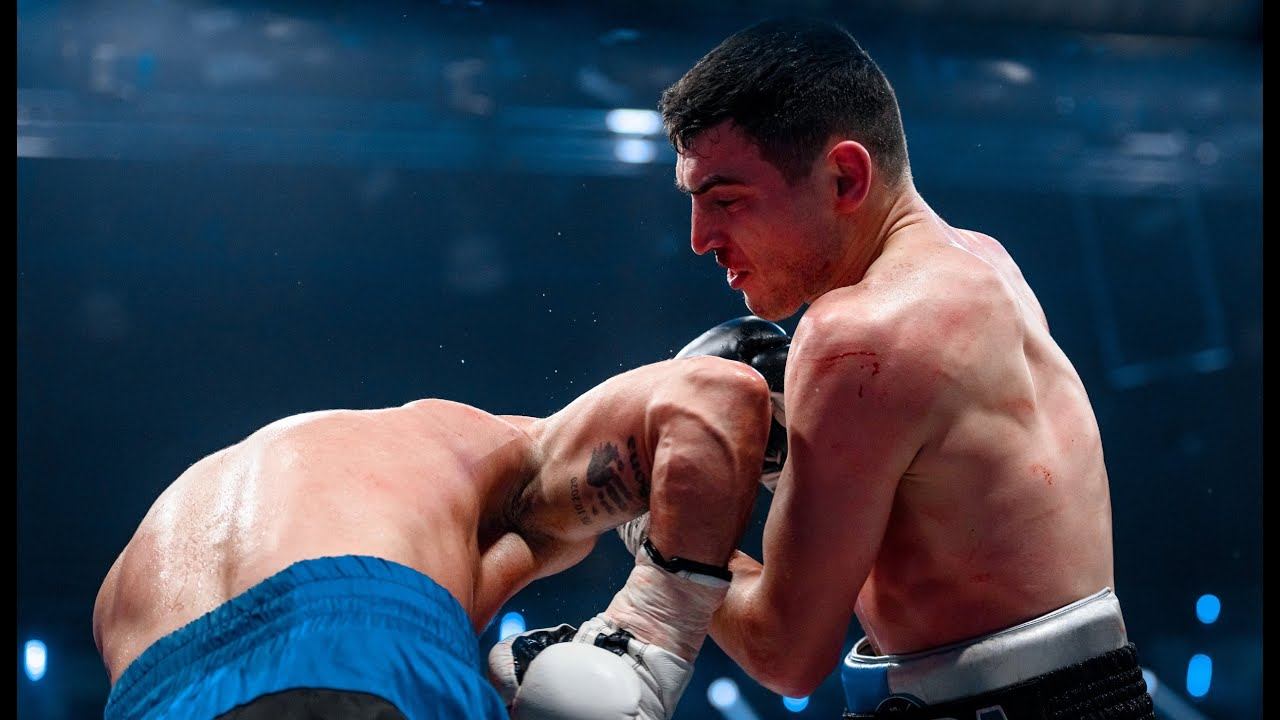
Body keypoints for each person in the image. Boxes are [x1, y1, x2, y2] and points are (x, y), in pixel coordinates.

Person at [654, 18, 1154, 718]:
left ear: (846, 176)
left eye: (727, 200)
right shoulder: (985, 261)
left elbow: (786, 654)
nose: (700, 238)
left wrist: (659, 524)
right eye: (695, 201)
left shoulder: (858, 335)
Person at [92, 351, 777, 720]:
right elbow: (716, 392)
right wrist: (649, 633)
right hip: (359, 648)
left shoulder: (153, 546)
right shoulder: (481, 441)